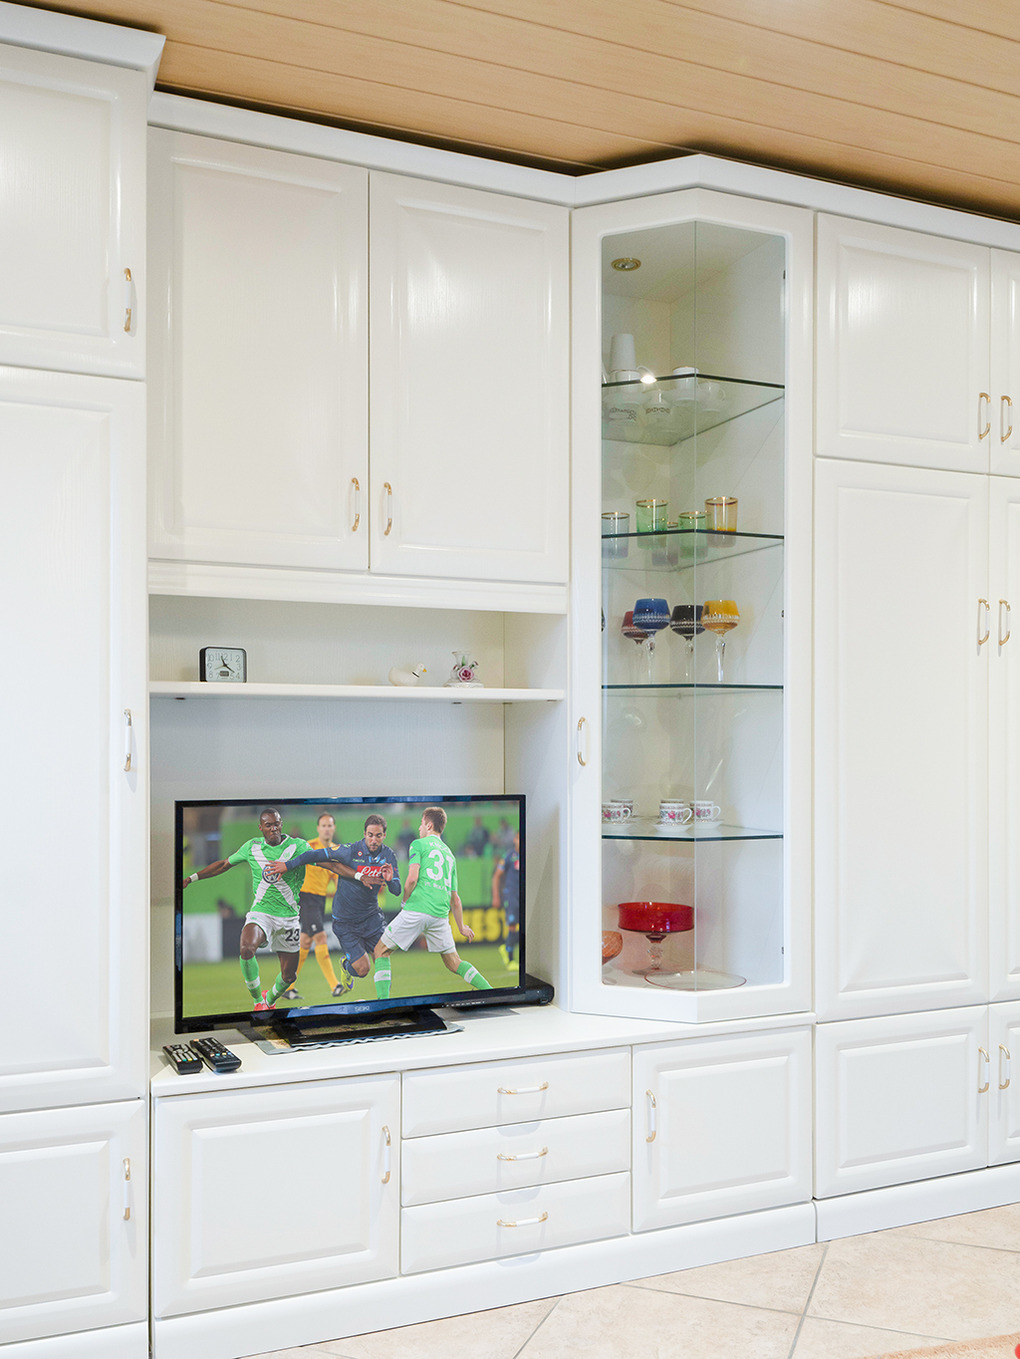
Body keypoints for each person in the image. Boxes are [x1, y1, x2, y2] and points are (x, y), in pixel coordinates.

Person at [181, 807, 309, 1011]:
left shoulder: (299, 846)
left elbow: (325, 861)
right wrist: (191, 878)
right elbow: (224, 865)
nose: (273, 828)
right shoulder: (252, 847)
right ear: (261, 827)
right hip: (261, 913)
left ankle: (270, 999)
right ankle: (258, 1002)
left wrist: (354, 873)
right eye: (268, 825)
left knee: (289, 976)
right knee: (247, 948)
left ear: (281, 824)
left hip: (289, 918)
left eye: (276, 824)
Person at [372, 806, 493, 998]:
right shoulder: (450, 855)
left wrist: (404, 901)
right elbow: (455, 899)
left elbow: (412, 879)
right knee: (454, 962)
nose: (420, 828)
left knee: (380, 951)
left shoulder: (418, 844)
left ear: (429, 825)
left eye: (421, 824)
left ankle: (382, 1003)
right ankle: (492, 992)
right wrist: (461, 927)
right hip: (440, 916)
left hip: (417, 909)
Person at [271, 813, 400, 989]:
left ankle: (384, 1002)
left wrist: (391, 880)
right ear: (364, 834)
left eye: (378, 835)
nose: (374, 840)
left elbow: (396, 890)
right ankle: (346, 966)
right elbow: (314, 855)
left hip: (372, 918)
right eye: (370, 835)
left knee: (383, 962)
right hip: (346, 921)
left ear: (384, 835)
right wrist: (287, 866)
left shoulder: (388, 856)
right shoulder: (350, 851)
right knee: (363, 969)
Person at [280, 812, 346, 1001]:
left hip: (319, 900)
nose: (327, 829)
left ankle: (287, 986)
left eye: (329, 825)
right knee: (321, 936)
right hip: (306, 897)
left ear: (334, 828)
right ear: (318, 828)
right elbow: (293, 866)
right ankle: (335, 985)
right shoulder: (308, 846)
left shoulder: (336, 852)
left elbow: (337, 879)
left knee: (305, 942)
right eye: (323, 825)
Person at [491, 828, 521, 969]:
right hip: (511, 894)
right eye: (518, 838)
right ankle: (510, 960)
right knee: (512, 925)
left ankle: (507, 946)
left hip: (522, 894)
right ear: (514, 840)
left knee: (521, 927)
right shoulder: (509, 855)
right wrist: (496, 895)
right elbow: (496, 876)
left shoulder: (527, 855)